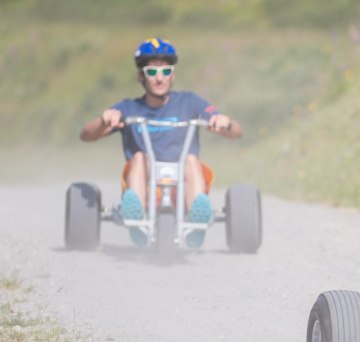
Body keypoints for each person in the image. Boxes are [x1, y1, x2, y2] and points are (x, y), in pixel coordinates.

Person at [80, 37, 242, 248]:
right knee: (139, 157)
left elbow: (236, 133)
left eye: (165, 72)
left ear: (172, 75)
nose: (159, 78)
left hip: (185, 184)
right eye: (152, 72)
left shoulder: (190, 102)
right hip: (145, 183)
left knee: (191, 160)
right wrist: (104, 120)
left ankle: (196, 221)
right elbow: (86, 135)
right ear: (141, 76)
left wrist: (225, 122)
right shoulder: (129, 108)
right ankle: (136, 218)